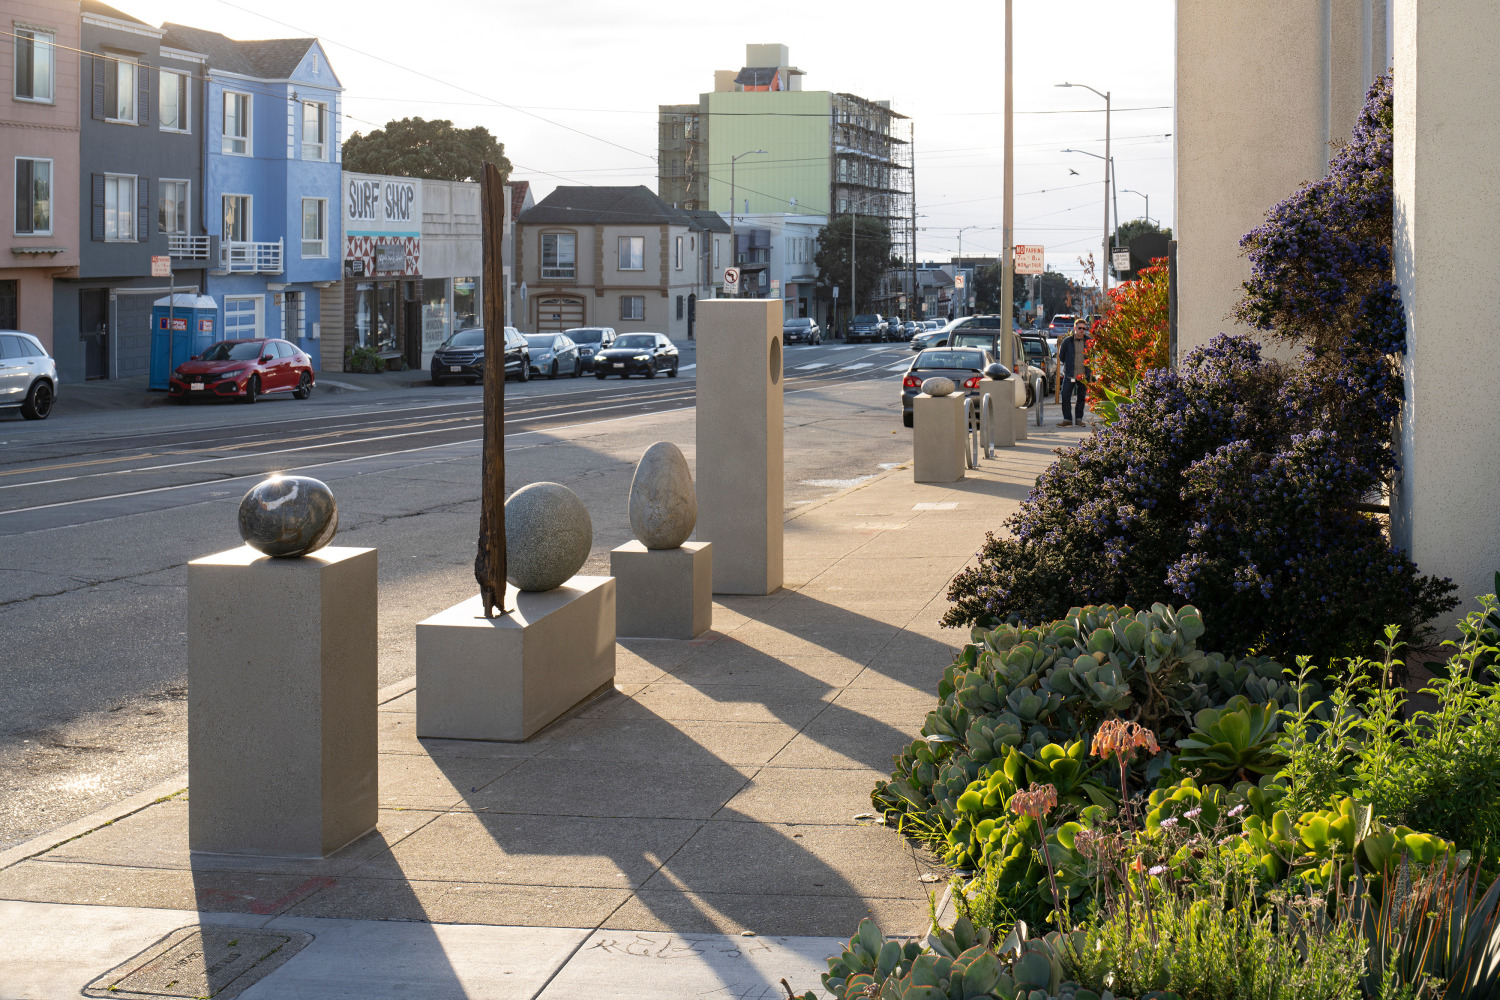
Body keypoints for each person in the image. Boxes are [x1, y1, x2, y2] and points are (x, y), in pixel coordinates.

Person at [1056, 318, 1090, 427]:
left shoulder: (1089, 341)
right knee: (1065, 396)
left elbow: (1093, 356)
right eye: (1080, 328)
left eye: (1084, 328)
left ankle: (1079, 419)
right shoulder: (1067, 341)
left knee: (1081, 397)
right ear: (1075, 328)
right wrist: (1069, 364)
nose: (1082, 330)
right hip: (1070, 374)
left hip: (1084, 375)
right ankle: (1067, 419)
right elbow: (1061, 356)